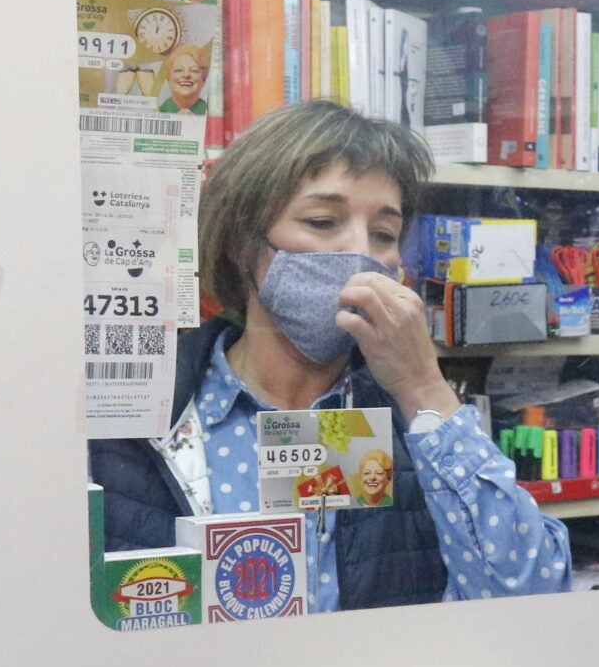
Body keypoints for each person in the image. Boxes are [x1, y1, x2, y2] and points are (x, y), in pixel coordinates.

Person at [89, 102, 571, 609]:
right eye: (323, 221)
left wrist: (425, 390)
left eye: (383, 234)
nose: (358, 253)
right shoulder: (140, 412)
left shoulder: (416, 431)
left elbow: (533, 594)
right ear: (239, 241)